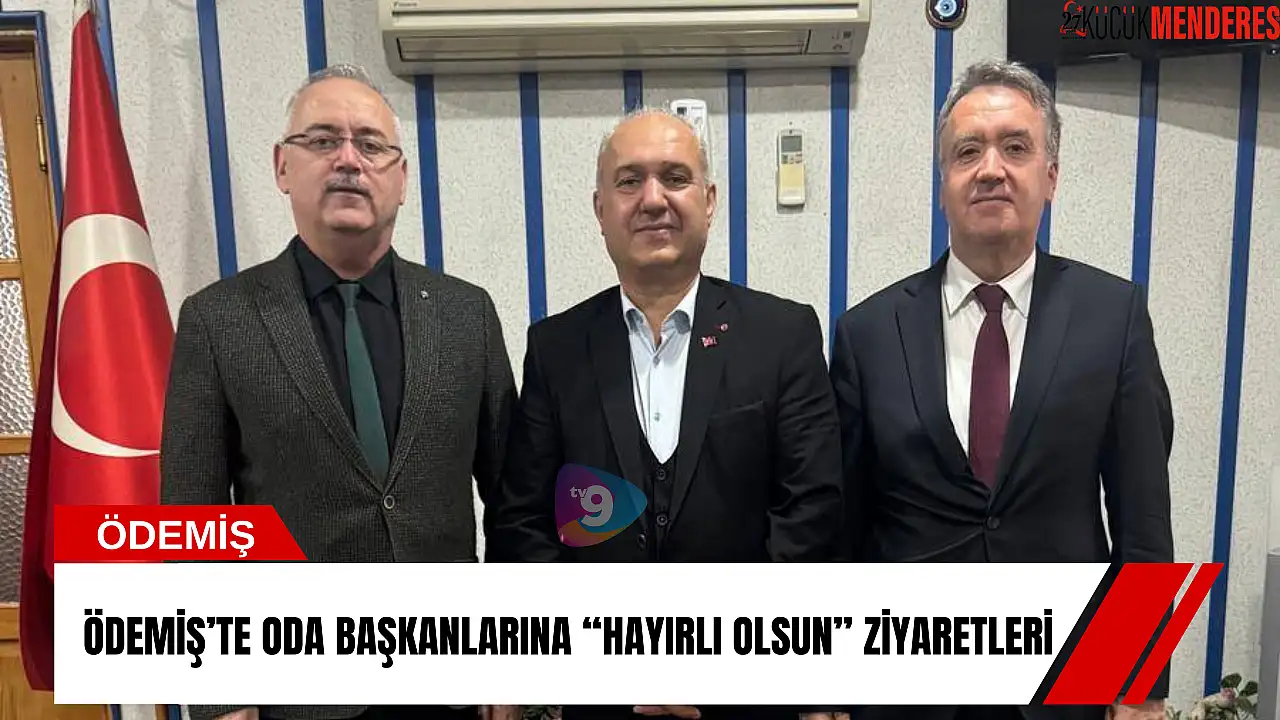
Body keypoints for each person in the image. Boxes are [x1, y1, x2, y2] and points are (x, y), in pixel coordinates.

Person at [160, 64, 518, 720]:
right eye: (323, 140)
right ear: (283, 167)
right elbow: (192, 523)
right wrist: (221, 695)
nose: (349, 160)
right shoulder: (218, 320)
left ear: (401, 178)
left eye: (371, 145)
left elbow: (513, 502)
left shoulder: (467, 314)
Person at [828, 60, 1174, 720]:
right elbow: (842, 529)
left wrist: (1139, 685)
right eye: (968, 152)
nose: (991, 169)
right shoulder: (866, 333)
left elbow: (1143, 518)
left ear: (1051, 176)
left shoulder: (1114, 316)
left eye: (1016, 147)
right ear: (943, 184)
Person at [487, 108, 845, 720]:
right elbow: (525, 524)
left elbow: (810, 518)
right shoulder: (555, 348)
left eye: (675, 178)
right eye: (629, 181)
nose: (653, 199)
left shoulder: (783, 334)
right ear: (601, 210)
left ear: (709, 201)